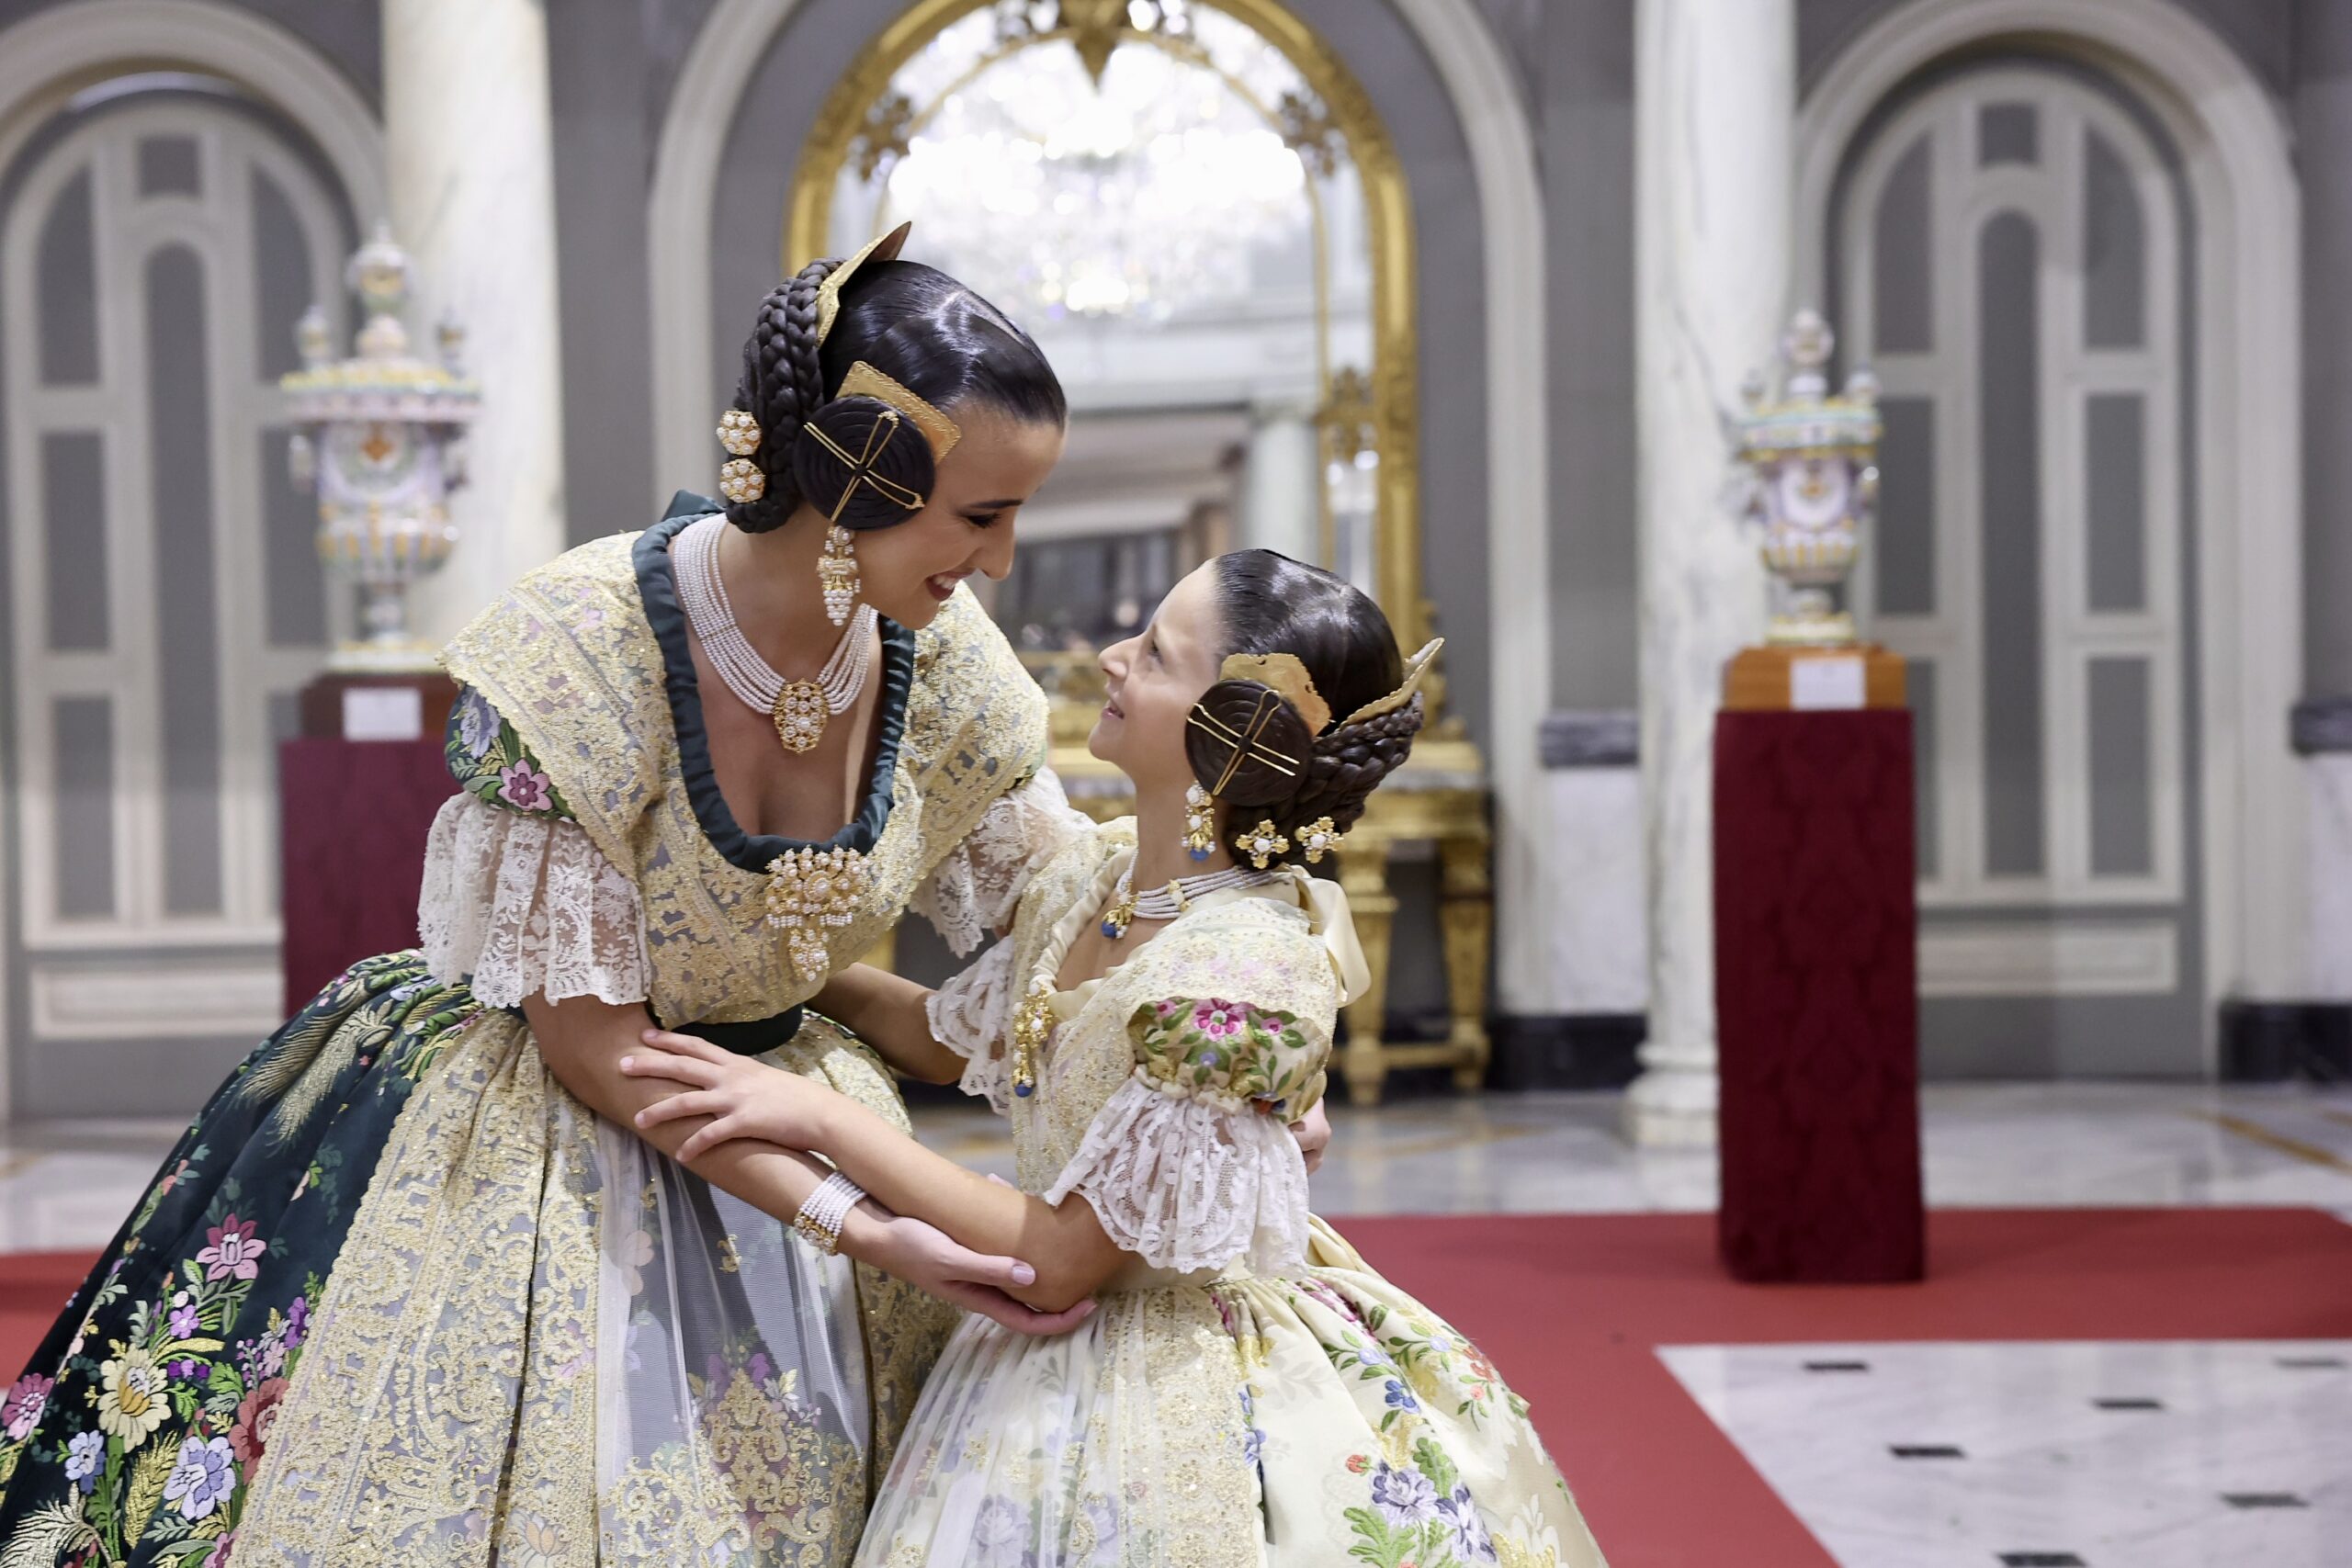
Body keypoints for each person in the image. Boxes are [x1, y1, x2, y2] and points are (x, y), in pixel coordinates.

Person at [0, 226, 1105, 1566]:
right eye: (980, 517)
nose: (999, 561)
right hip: (550, 1114)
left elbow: (1068, 910)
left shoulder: (947, 660)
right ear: (855, 478)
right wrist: (864, 1225)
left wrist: (1214, 994)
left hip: (788, 1099)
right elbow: (597, 1047)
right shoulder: (584, 645)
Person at [619, 550, 1609, 1568]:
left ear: (1239, 731)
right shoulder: (1099, 875)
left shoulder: (1245, 972)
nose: (1112, 657)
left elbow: (1059, 1264)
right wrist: (756, 961)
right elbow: (949, 1036)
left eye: (1158, 653)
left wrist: (821, 1118)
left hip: (1161, 1359)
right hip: (1026, 1354)